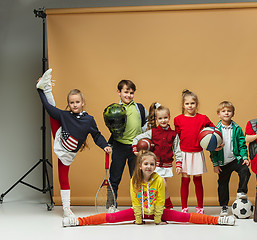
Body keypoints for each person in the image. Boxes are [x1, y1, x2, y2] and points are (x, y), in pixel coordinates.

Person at [62, 151, 235, 227]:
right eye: (146, 164)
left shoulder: (158, 180)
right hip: (139, 212)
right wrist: (138, 218)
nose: (149, 167)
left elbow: (160, 200)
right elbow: (135, 199)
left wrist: (158, 218)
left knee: (186, 217)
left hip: (157, 212)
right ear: (140, 165)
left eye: (152, 164)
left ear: (155, 166)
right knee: (111, 218)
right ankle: (77, 221)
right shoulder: (134, 180)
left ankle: (219, 221)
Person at [36, 69, 112, 218]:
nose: (75, 105)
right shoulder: (65, 114)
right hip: (60, 136)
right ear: (69, 104)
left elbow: (97, 135)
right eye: (71, 102)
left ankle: (44, 86)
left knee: (64, 176)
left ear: (83, 103)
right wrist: (39, 91)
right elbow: (48, 107)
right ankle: (66, 209)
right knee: (53, 113)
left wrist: (105, 145)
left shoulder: (89, 120)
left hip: (68, 153)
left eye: (77, 102)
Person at [107, 79, 148, 212]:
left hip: (135, 149)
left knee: (136, 178)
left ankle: (138, 205)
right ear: (119, 92)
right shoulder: (115, 109)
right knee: (114, 177)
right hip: (119, 146)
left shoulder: (140, 108)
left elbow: (148, 121)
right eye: (126, 92)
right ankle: (111, 205)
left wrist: (144, 133)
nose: (128, 95)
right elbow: (112, 128)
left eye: (131, 93)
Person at [132, 103, 182, 209]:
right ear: (156, 120)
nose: (163, 120)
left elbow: (177, 150)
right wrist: (135, 149)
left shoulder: (173, 134)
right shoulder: (153, 132)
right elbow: (137, 138)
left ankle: (161, 207)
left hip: (167, 165)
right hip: (154, 165)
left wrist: (179, 164)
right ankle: (166, 206)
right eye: (160, 118)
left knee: (161, 187)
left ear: (169, 117)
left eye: (165, 118)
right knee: (158, 185)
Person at [174, 90, 216, 214]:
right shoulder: (178, 119)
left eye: (192, 103)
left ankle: (200, 207)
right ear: (183, 105)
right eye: (187, 103)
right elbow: (176, 139)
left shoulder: (203, 118)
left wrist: (218, 143)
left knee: (198, 180)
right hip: (184, 153)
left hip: (197, 153)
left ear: (197, 104)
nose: (190, 106)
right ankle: (184, 208)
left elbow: (214, 131)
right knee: (185, 180)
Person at [210, 101, 251, 216]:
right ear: (219, 114)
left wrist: (244, 157)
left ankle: (241, 191)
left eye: (229, 111)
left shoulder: (237, 129)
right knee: (223, 184)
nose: (226, 113)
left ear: (233, 113)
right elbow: (212, 149)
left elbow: (242, 144)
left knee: (245, 171)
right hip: (222, 162)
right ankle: (224, 206)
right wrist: (215, 164)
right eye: (223, 111)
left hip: (235, 159)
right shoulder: (215, 130)